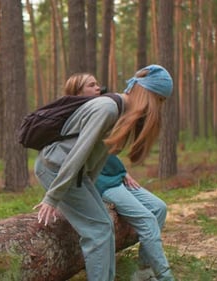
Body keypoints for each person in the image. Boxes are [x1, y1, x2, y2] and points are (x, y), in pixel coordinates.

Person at [33, 65, 173, 281]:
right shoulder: (108, 109)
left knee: (104, 227)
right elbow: (77, 154)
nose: (158, 107)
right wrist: (52, 197)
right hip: (54, 168)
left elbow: (97, 158)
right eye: (158, 100)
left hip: (75, 174)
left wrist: (90, 187)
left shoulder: (119, 112)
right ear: (147, 93)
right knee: (98, 231)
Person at [97, 155, 174, 281]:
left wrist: (123, 172)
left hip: (118, 178)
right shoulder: (79, 137)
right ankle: (165, 277)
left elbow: (109, 153)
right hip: (104, 185)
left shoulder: (103, 136)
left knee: (160, 208)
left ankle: (144, 270)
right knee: (148, 220)